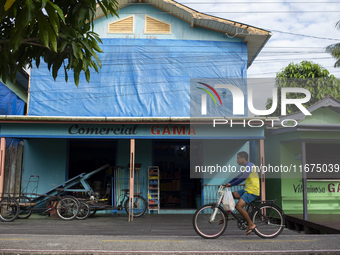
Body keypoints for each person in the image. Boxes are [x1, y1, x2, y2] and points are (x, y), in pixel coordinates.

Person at [224, 151, 260, 236]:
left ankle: (251, 224)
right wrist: (228, 183)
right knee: (230, 196)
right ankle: (226, 217)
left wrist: (232, 184)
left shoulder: (250, 165)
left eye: (238, 158)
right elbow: (238, 176)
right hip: (247, 189)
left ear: (243, 158)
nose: (237, 161)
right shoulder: (245, 167)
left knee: (238, 206)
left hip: (252, 191)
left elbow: (244, 177)